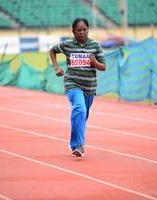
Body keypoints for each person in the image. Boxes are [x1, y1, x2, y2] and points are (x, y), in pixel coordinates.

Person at [49, 18, 106, 157]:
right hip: (72, 83)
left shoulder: (95, 45)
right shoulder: (67, 44)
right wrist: (56, 67)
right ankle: (78, 145)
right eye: (78, 30)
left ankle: (74, 141)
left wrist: (95, 62)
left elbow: (103, 67)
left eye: (84, 29)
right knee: (79, 109)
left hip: (90, 87)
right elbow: (52, 50)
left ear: (88, 29)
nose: (82, 32)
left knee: (82, 116)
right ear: (73, 31)